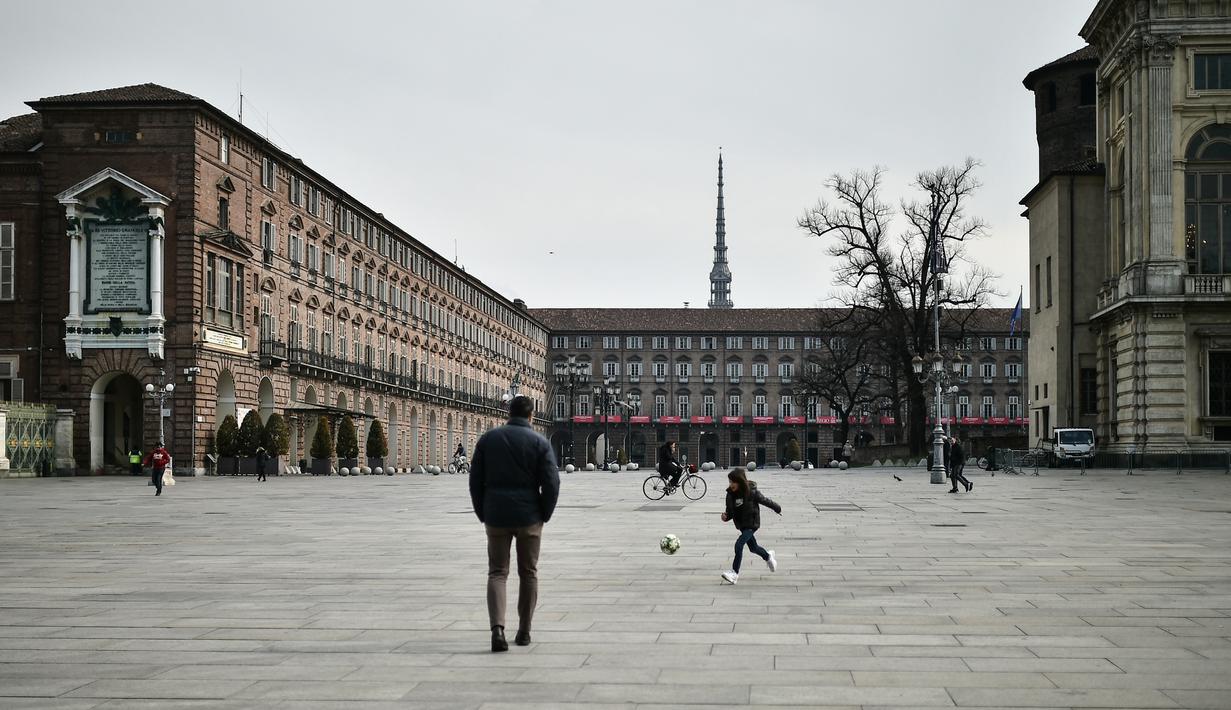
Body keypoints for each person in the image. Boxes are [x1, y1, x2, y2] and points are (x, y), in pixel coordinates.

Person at [469, 395, 560, 653]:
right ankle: (524, 630)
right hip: (529, 515)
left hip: (496, 515)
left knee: (497, 572)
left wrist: (482, 512)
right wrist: (544, 513)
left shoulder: (488, 439)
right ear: (531, 416)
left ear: (509, 413)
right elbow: (552, 483)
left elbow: (475, 480)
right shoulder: (540, 442)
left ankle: (497, 628)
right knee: (528, 573)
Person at [720, 468, 782, 585]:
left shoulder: (752, 492)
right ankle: (768, 556)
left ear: (740, 481)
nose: (731, 484)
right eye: (729, 482)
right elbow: (730, 511)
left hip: (751, 523)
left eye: (733, 482)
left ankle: (734, 573)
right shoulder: (730, 495)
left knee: (739, 544)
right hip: (741, 525)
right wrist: (725, 517)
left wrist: (777, 508)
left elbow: (765, 501)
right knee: (753, 548)